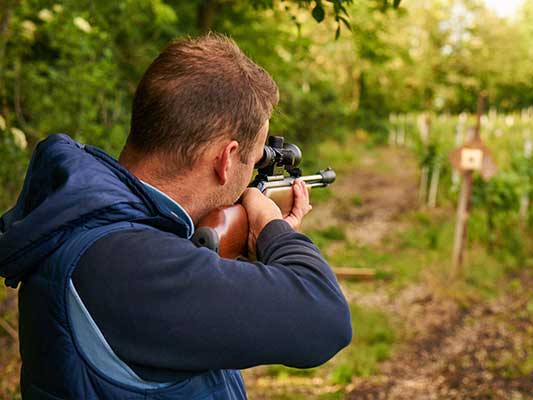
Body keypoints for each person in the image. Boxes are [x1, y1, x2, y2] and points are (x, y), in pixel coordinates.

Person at [0, 34, 352, 400]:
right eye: (251, 161)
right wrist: (272, 228)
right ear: (226, 158)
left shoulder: (90, 228)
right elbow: (326, 319)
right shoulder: (128, 264)